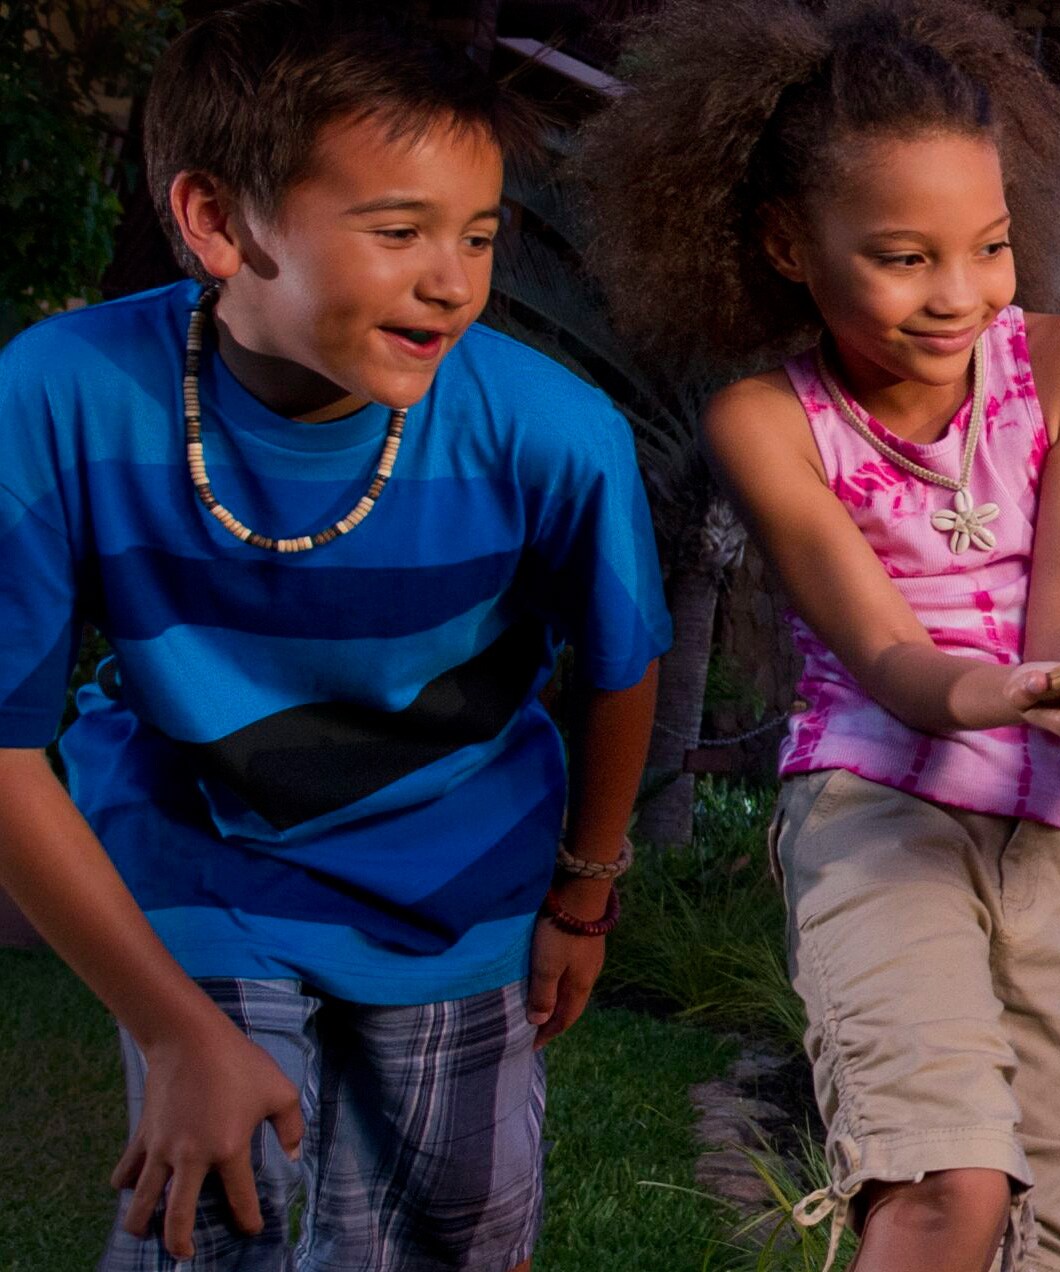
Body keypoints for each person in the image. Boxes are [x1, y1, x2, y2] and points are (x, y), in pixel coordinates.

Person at [575, 2, 1060, 1268]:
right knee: (943, 1188)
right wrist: (1013, 692)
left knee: (1051, 1239)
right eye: (904, 258)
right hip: (875, 815)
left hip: (1058, 835)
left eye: (990, 246)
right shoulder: (768, 421)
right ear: (788, 243)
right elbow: (892, 661)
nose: (957, 295)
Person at [0, 3, 671, 1267]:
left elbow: (618, 668)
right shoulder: (59, 395)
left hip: (461, 875)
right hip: (198, 863)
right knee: (218, 1211)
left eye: (479, 234)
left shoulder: (553, 434)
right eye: (399, 230)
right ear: (216, 221)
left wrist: (583, 896)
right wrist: (174, 1031)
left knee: (456, 1232)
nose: (453, 280)